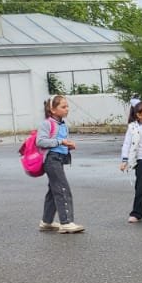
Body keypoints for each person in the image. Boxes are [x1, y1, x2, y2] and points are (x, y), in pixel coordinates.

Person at [36, 94, 84, 234]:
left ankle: (46, 222)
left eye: (67, 106)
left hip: (59, 159)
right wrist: (61, 142)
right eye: (63, 107)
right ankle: (66, 222)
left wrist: (67, 146)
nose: (67, 109)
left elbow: (60, 142)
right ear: (52, 109)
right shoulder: (46, 124)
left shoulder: (62, 124)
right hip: (51, 160)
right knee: (63, 189)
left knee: (53, 190)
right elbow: (40, 141)